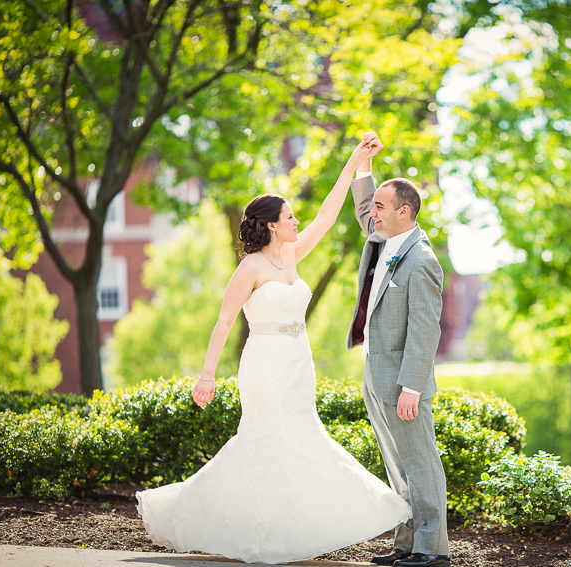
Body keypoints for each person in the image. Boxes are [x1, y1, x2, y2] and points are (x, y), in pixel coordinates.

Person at [135, 135, 412, 564]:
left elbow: (327, 213)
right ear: (270, 225)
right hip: (263, 366)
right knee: (264, 441)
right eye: (289, 217)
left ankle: (290, 530)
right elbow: (225, 321)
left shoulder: (292, 256)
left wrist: (355, 163)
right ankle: (236, 526)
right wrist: (207, 375)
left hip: (299, 363)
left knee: (302, 440)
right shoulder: (250, 267)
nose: (297, 221)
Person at [346, 133, 450, 567]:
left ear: (403, 213)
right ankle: (407, 544)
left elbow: (425, 333)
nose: (373, 213)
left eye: (381, 207)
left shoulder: (422, 261)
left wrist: (411, 387)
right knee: (397, 465)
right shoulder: (383, 242)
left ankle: (432, 550)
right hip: (376, 372)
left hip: (404, 383)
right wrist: (364, 167)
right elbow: (360, 206)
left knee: (420, 464)